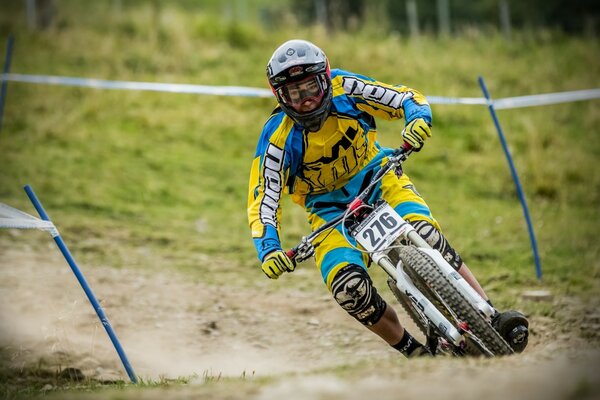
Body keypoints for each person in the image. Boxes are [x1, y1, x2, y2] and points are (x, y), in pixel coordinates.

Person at [247, 39, 528, 357]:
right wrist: (269, 250)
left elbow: (402, 98)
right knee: (348, 289)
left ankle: (491, 314)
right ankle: (415, 353)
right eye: (295, 94)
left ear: (325, 78)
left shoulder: (347, 87)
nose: (307, 100)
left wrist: (418, 118)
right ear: (280, 97)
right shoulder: (276, 140)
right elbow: (264, 199)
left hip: (380, 179)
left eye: (311, 87)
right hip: (328, 213)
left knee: (426, 236)